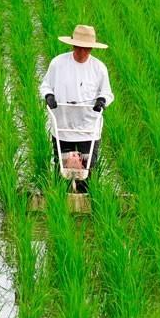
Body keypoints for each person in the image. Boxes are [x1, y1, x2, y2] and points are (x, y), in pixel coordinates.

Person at [39, 24, 114, 192]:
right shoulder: (58, 63)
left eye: (86, 49)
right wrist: (49, 96)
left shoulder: (99, 68)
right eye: (79, 48)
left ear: (91, 49)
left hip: (89, 127)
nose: (82, 53)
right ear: (73, 45)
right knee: (63, 168)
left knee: (86, 170)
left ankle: (86, 202)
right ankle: (61, 201)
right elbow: (45, 86)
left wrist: (102, 100)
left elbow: (107, 93)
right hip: (62, 125)